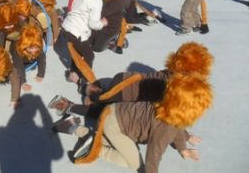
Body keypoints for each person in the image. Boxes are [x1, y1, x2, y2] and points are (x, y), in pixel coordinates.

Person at [50, 42, 213, 173]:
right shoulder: (167, 89)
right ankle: (71, 102)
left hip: (124, 91)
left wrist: (183, 142)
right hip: (123, 92)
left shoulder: (174, 81)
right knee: (98, 107)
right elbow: (154, 153)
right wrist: (183, 138)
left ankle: (81, 89)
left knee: (100, 101)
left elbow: (174, 120)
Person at [62, 0, 110, 83]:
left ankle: (73, 73)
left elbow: (72, 7)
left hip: (67, 26)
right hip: (76, 31)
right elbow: (93, 24)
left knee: (78, 51)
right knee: (89, 55)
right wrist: (103, 23)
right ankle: (85, 80)